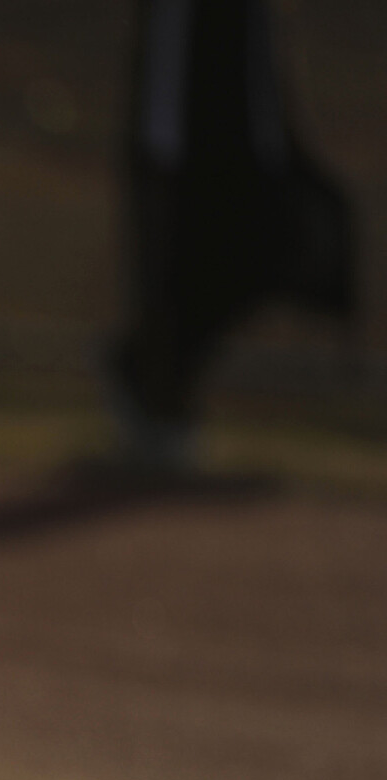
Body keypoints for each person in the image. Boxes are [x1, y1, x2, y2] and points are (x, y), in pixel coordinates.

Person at [107, 0, 355, 472]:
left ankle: (146, 379)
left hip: (247, 157)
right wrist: (162, 149)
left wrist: (279, 149)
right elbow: (168, 61)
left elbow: (263, 77)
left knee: (262, 261)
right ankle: (150, 393)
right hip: (190, 155)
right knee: (180, 282)